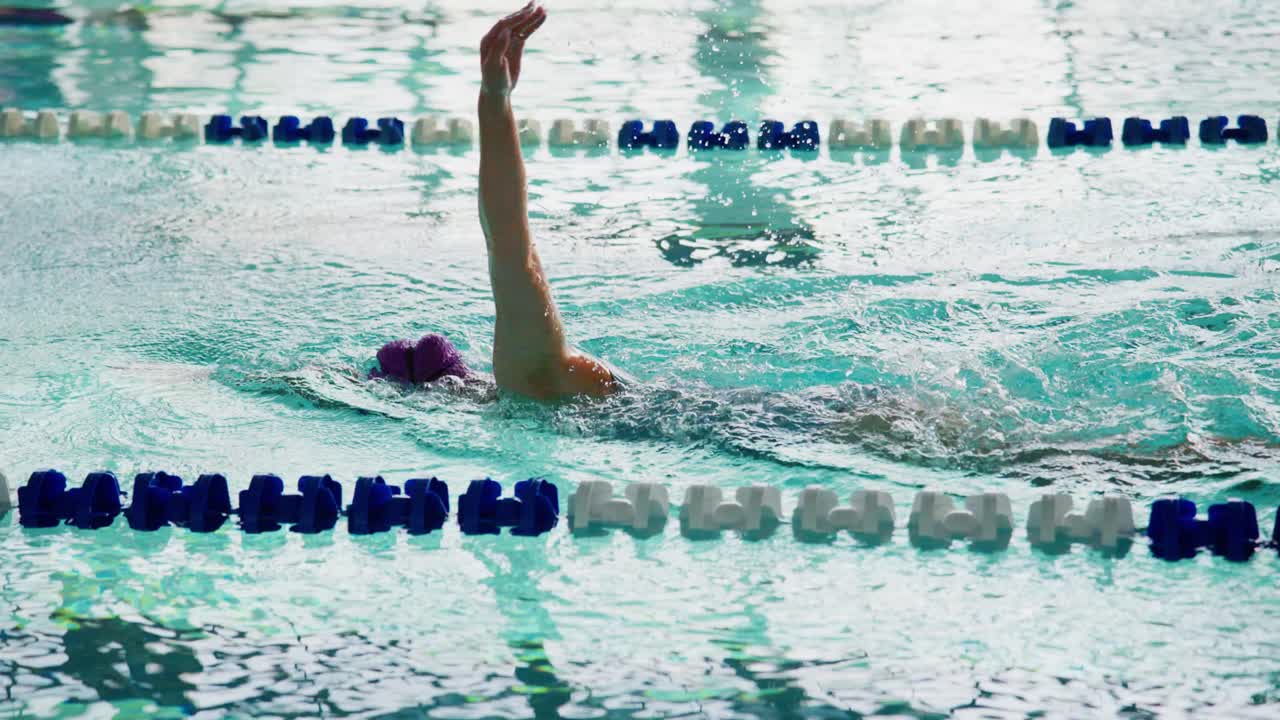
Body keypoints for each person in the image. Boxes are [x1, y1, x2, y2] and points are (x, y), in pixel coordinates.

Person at [374, 2, 623, 402]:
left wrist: (495, 102)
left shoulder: (528, 376)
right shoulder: (535, 372)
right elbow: (509, 244)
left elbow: (510, 243)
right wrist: (495, 101)